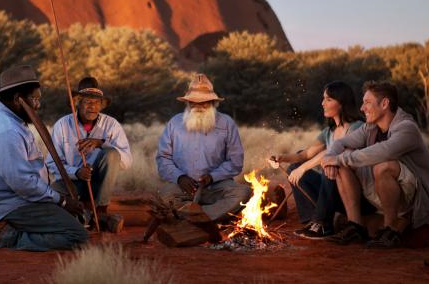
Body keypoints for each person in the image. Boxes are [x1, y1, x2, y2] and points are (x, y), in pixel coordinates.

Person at [0, 65, 88, 251]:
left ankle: (19, 230)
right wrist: (62, 201)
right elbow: (22, 183)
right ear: (18, 99)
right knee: (77, 236)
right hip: (9, 206)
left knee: (74, 216)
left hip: (22, 199)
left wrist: (58, 200)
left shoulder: (11, 119)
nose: (38, 105)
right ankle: (7, 237)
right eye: (34, 99)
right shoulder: (6, 130)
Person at [321, 80, 429, 249]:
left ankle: (390, 230)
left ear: (384, 103)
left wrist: (339, 159)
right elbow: (341, 143)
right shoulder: (370, 127)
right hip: (381, 190)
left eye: (367, 102)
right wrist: (331, 158)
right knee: (344, 160)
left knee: (382, 165)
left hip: (412, 198)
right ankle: (356, 227)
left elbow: (383, 151)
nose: (362, 108)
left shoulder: (407, 128)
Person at [271, 81, 364, 239]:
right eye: (323, 99)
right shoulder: (329, 131)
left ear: (341, 103)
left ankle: (323, 223)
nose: (323, 103)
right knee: (294, 167)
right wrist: (282, 158)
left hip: (352, 192)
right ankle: (312, 219)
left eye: (328, 99)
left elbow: (334, 153)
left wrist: (304, 168)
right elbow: (305, 155)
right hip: (331, 191)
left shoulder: (357, 127)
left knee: (329, 165)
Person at [156, 74, 250, 222]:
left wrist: (213, 177)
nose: (198, 106)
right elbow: (163, 158)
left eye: (204, 102)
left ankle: (195, 217)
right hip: (184, 187)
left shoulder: (226, 123)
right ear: (187, 103)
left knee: (242, 192)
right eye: (193, 102)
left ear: (213, 102)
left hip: (217, 186)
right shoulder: (174, 123)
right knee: (163, 196)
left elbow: (236, 161)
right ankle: (204, 217)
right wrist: (180, 177)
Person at [47, 77, 132, 233]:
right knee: (52, 193)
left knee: (112, 153)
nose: (92, 107)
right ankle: (93, 218)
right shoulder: (62, 125)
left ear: (101, 105)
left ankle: (100, 212)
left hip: (99, 185)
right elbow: (52, 164)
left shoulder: (111, 124)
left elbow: (126, 162)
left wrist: (102, 143)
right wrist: (76, 172)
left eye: (97, 102)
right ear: (78, 103)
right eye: (87, 102)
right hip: (72, 184)